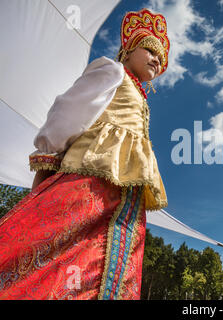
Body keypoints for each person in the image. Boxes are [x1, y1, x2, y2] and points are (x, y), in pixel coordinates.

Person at [0, 8, 170, 300]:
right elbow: (69, 111)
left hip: (123, 200)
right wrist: (48, 156)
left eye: (162, 58)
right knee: (56, 250)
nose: (157, 59)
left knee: (105, 264)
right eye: (150, 48)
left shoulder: (141, 98)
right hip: (91, 183)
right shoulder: (112, 71)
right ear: (127, 49)